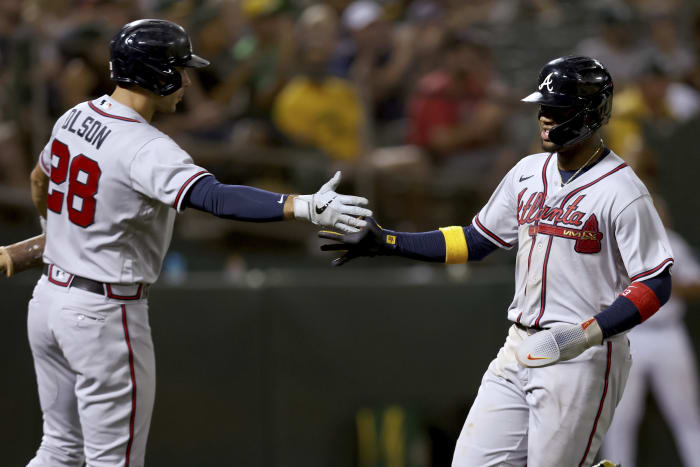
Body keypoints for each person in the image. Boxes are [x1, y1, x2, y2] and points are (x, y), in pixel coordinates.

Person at [20, 19, 371, 467]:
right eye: (179, 69)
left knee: (58, 449)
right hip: (103, 313)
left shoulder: (76, 115)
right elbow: (212, 196)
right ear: (155, 73)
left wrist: (52, 234)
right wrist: (301, 206)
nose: (187, 80)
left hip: (48, 300)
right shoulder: (147, 146)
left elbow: (39, 178)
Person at [320, 56, 674, 466]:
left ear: (590, 113)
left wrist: (584, 334)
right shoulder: (527, 171)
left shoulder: (622, 190)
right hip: (518, 345)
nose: (544, 117)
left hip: (582, 355)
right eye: (543, 107)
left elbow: (656, 282)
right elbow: (475, 240)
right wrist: (388, 241)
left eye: (556, 109)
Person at [602, 218, 700, 467]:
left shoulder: (670, 242)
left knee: (686, 414)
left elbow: (695, 284)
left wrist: (669, 285)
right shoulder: (614, 245)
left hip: (668, 332)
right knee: (621, 418)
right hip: (629, 335)